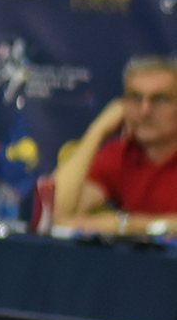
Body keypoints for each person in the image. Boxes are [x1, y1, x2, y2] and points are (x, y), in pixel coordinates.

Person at [52, 55, 177, 237]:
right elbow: (56, 211)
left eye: (160, 99)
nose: (145, 111)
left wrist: (123, 225)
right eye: (135, 98)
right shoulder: (121, 153)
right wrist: (98, 131)